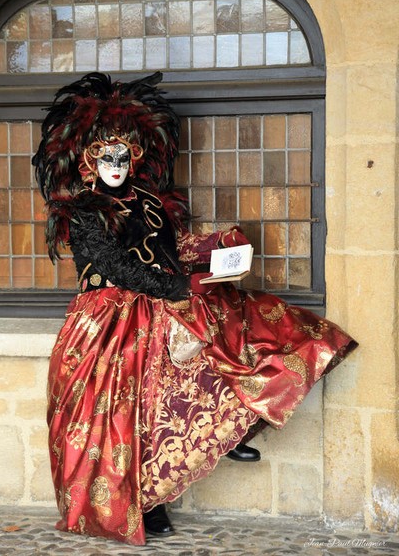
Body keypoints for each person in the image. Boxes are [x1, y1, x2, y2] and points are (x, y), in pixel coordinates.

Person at [32, 72, 357, 546]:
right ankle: (146, 503)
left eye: (125, 156)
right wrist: (177, 285)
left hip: (165, 296)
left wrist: (218, 246)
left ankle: (232, 427)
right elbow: (115, 265)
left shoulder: (149, 203)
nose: (117, 164)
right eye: (107, 156)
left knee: (241, 322)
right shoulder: (84, 210)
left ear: (137, 155)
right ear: (88, 160)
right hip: (107, 319)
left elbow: (172, 247)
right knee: (130, 410)